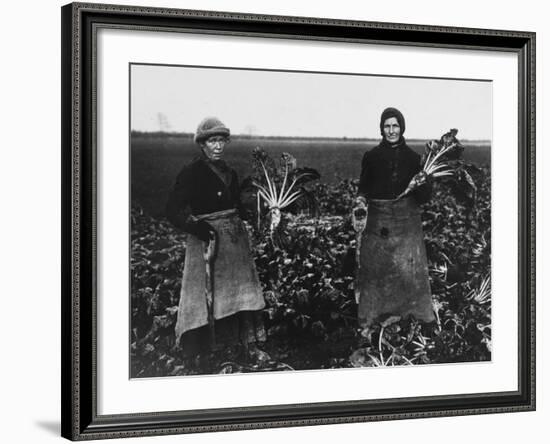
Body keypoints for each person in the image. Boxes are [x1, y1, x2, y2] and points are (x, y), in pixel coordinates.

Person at [165, 117, 266, 365]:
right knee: (210, 296)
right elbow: (172, 210)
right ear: (202, 144)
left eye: (221, 140)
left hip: (234, 243)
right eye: (212, 141)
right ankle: (209, 349)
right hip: (207, 241)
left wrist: (254, 213)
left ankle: (243, 345)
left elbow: (235, 206)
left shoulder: (230, 172)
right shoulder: (192, 173)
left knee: (238, 295)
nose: (218, 146)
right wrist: (196, 227)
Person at [354, 107, 435, 330]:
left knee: (409, 272)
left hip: (406, 224)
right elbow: (363, 189)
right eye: (387, 126)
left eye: (395, 126)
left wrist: (426, 182)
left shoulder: (414, 159)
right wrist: (360, 202)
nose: (391, 131)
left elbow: (423, 198)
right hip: (378, 223)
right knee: (376, 271)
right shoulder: (372, 157)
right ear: (381, 129)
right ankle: (373, 318)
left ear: (402, 128)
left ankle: (413, 318)